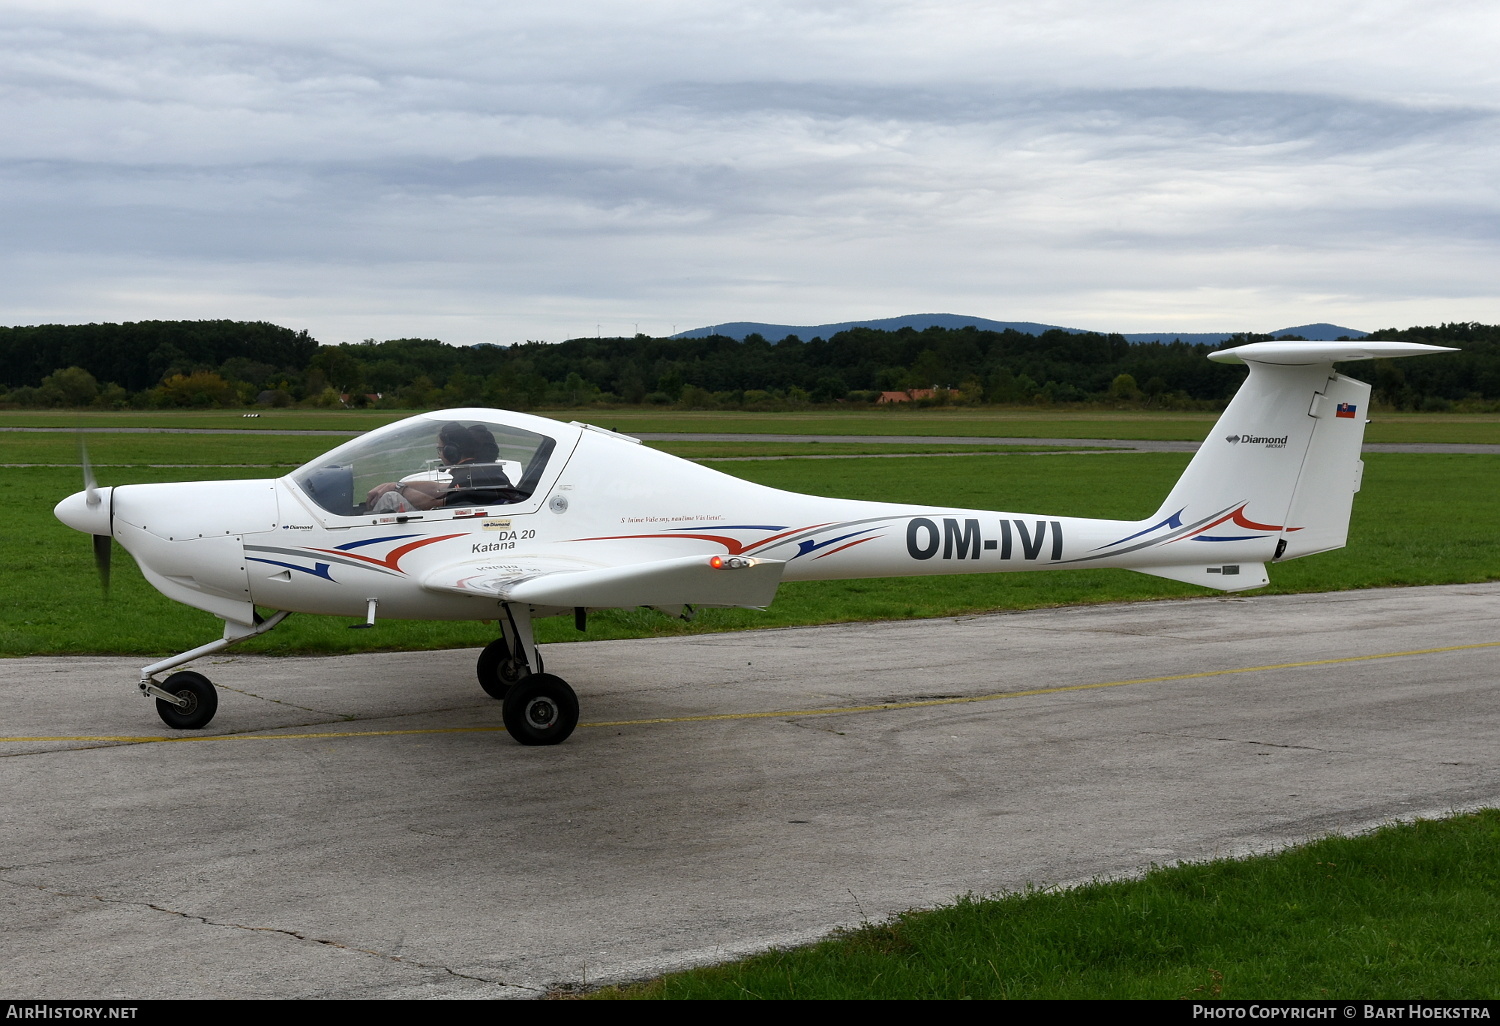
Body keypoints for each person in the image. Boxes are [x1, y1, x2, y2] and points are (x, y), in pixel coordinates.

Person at [365, 422, 515, 513]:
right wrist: (397, 484)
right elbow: (439, 487)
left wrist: (398, 489)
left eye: (440, 449)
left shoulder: (470, 477)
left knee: (390, 498)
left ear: (452, 451)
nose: (439, 455)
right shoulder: (481, 473)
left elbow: (434, 506)